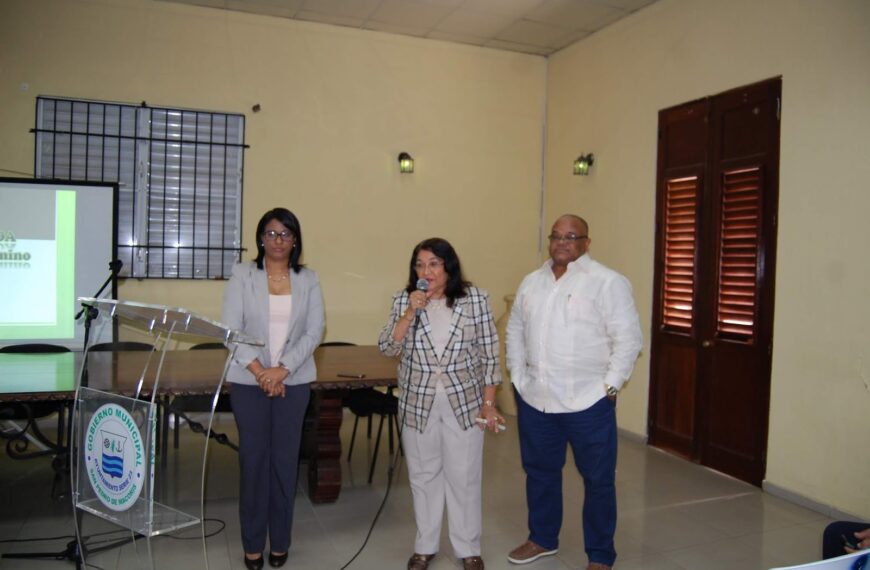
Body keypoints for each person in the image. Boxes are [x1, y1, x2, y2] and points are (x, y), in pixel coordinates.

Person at [505, 214, 643, 570]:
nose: (562, 242)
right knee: (539, 472)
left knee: (598, 481)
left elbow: (628, 340)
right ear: (549, 240)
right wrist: (518, 376)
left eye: (571, 236)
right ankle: (542, 538)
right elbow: (515, 330)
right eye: (556, 236)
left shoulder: (607, 282)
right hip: (536, 400)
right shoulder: (531, 282)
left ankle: (599, 555)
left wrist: (610, 386)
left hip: (588, 403)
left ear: (586, 242)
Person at [378, 238, 505, 570]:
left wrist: (489, 403)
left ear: (449, 266)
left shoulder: (475, 300)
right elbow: (388, 348)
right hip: (418, 403)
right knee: (423, 474)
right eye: (420, 265)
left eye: (434, 263)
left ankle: (467, 548)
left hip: (464, 402)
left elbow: (490, 356)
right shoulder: (402, 301)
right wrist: (409, 312)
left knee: (463, 476)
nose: (426, 271)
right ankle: (425, 545)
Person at [221, 208, 325, 570]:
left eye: (285, 234)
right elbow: (230, 329)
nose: (278, 240)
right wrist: (262, 372)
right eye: (271, 233)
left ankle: (279, 540)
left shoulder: (308, 279)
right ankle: (252, 543)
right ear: (260, 238)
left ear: (295, 239)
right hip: (249, 382)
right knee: (253, 463)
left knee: (284, 464)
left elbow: (315, 331)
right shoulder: (242, 274)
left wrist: (281, 370)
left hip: (293, 382)